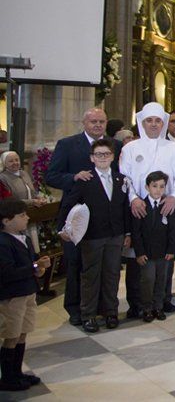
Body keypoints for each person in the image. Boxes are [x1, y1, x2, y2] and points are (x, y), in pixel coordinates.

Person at [46, 107, 120, 325]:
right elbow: (52, 176)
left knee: (106, 268)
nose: (97, 125)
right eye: (93, 121)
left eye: (101, 121)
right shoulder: (68, 144)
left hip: (105, 219)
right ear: (84, 123)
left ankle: (102, 308)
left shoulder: (115, 146)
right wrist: (74, 177)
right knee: (78, 264)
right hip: (77, 214)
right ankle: (76, 309)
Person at [120, 102, 175, 316]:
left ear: (163, 123)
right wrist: (133, 198)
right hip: (139, 208)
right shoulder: (130, 149)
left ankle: (163, 300)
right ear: (142, 122)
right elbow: (125, 177)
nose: (154, 124)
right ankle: (136, 303)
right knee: (137, 257)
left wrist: (174, 197)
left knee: (164, 257)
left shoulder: (174, 149)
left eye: (158, 120)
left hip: (165, 207)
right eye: (149, 120)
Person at [57, 139, 132, 332]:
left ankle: (110, 312)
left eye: (106, 154)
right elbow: (68, 205)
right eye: (99, 154)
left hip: (115, 234)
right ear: (92, 158)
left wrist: (128, 232)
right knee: (91, 275)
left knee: (112, 274)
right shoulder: (85, 180)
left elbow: (125, 208)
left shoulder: (121, 179)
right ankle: (88, 315)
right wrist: (64, 229)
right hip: (92, 236)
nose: (103, 158)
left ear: (113, 157)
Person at [0, 200, 51, 392]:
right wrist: (34, 267)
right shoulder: (3, 243)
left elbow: (31, 267)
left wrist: (39, 268)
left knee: (22, 333)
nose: (27, 218)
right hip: (12, 296)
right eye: (22, 216)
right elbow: (7, 273)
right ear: (6, 221)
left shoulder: (25, 238)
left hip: (28, 292)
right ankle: (7, 377)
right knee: (11, 335)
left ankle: (17, 372)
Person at [131, 171, 175, 322]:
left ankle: (158, 306)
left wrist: (171, 250)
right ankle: (147, 308)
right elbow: (136, 233)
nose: (158, 190)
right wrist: (139, 252)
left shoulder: (168, 205)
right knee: (148, 280)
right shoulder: (141, 206)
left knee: (161, 280)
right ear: (147, 187)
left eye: (162, 186)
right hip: (147, 254)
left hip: (163, 253)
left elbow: (172, 229)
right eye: (154, 186)